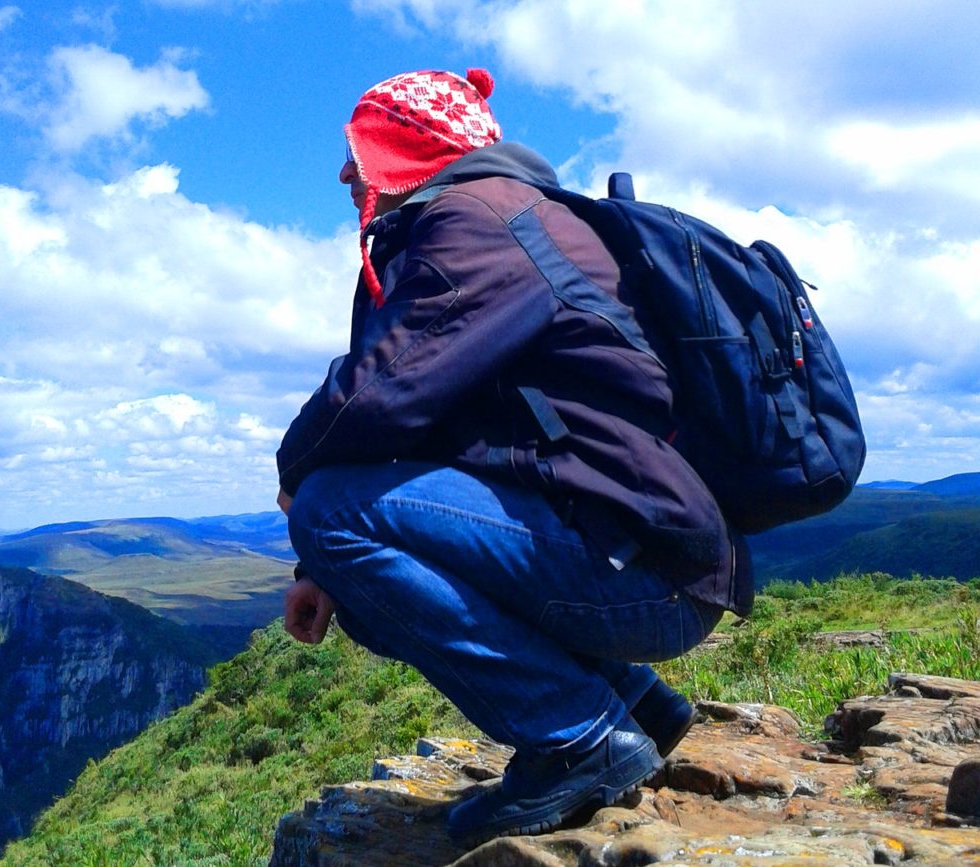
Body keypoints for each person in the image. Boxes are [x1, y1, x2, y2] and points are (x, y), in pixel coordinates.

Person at [276, 68, 753, 848]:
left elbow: (382, 392)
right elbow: (422, 425)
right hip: (638, 552)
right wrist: (317, 570)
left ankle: (578, 735)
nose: (344, 174)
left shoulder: (480, 224)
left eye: (359, 153)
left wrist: (295, 482)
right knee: (354, 580)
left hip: (644, 570)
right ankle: (630, 701)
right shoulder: (499, 219)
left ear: (409, 149)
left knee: (331, 506)